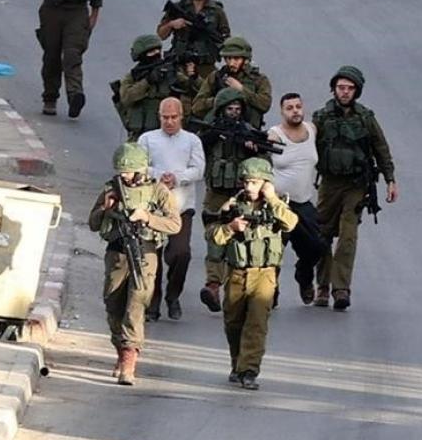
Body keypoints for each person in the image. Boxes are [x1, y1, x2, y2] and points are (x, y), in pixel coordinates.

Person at [88, 143, 181, 385]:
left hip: (145, 253)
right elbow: (93, 223)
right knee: (113, 304)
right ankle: (120, 350)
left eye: (129, 172)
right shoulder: (112, 188)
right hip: (117, 253)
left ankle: (129, 361)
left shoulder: (158, 190)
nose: (125, 177)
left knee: (136, 304)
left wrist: (147, 217)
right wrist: (105, 209)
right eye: (121, 172)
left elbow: (174, 224)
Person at [313, 66, 398, 311]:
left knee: (348, 236)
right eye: (341, 87)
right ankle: (322, 286)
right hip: (329, 183)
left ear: (356, 91)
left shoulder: (365, 118)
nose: (345, 92)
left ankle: (341, 288)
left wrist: (390, 180)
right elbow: (305, 145)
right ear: (334, 89)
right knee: (322, 234)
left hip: (356, 185)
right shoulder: (321, 117)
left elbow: (381, 149)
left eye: (350, 88)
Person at [209, 158, 298, 390]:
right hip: (237, 273)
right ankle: (237, 363)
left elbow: (291, 223)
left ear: (266, 182)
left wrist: (272, 198)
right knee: (233, 322)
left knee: (256, 324)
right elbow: (212, 236)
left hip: (264, 274)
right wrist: (230, 228)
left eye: (255, 182)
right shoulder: (232, 206)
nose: (250, 187)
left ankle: (249, 370)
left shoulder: (276, 205)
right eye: (247, 181)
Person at [138, 98, 206, 321]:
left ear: (181, 117)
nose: (169, 122)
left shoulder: (192, 140)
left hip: (181, 206)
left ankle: (173, 295)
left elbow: (199, 169)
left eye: (173, 117)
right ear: (159, 117)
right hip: (153, 207)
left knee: (181, 253)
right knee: (152, 258)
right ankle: (153, 304)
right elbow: (139, 165)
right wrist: (158, 175)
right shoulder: (147, 139)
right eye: (165, 117)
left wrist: (177, 178)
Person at [196, 88, 263, 313]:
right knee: (215, 239)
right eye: (229, 109)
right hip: (216, 194)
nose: (234, 113)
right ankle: (213, 286)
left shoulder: (248, 131)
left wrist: (251, 149)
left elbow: (263, 163)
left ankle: (242, 291)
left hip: (240, 195)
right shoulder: (211, 130)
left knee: (241, 241)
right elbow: (198, 148)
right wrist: (216, 135)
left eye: (237, 109)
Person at [267, 93, 326, 306]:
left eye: (298, 107)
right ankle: (270, 291)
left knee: (317, 246)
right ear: (282, 112)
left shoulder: (312, 130)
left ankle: (304, 275)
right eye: (289, 108)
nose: (295, 111)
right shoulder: (274, 135)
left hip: (303, 202)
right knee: (273, 250)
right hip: (278, 203)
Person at [157, 0, 231, 120]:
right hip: (180, 64)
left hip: (205, 66)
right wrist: (172, 24)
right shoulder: (179, 7)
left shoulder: (217, 11)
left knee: (205, 103)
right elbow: (161, 34)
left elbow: (226, 39)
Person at [118, 35, 192, 141]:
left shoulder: (168, 70)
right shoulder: (133, 76)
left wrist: (193, 76)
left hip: (168, 132)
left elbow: (193, 88)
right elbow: (126, 98)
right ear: (141, 55)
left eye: (158, 51)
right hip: (141, 133)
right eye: (151, 52)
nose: (156, 54)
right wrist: (148, 81)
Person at [191, 36, 272, 129]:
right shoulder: (216, 77)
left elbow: (264, 105)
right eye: (228, 59)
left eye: (236, 59)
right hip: (218, 129)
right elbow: (196, 107)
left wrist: (242, 90)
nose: (231, 63)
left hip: (248, 131)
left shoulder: (258, 79)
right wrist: (220, 100)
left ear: (245, 60)